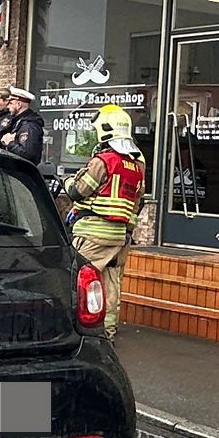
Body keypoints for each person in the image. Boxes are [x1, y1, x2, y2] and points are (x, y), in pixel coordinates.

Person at [58, 104, 144, 339]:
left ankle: (75, 330)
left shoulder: (103, 160)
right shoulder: (137, 166)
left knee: (79, 279)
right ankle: (107, 330)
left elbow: (78, 191)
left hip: (92, 232)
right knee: (111, 283)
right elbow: (136, 202)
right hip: (119, 236)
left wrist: (66, 181)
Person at [0, 85, 44, 165]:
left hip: (22, 173)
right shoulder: (18, 121)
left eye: (11, 103)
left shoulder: (29, 125)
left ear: (19, 105)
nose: (8, 106)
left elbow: (28, 154)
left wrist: (10, 143)